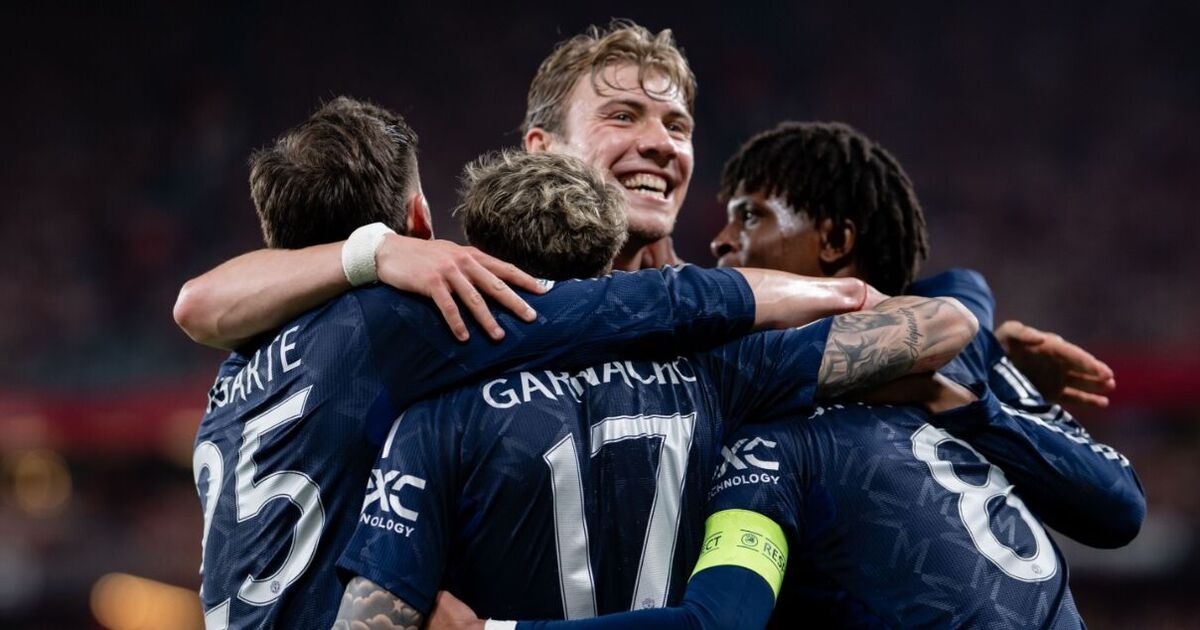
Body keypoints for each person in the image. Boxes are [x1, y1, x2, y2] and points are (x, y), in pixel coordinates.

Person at [191, 101, 878, 630]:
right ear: (420, 219)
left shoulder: (232, 377)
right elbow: (640, 305)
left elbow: (194, 304)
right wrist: (838, 294)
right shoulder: (396, 321)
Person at [434, 122, 1144, 629]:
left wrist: (962, 395)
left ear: (834, 241)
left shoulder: (774, 437)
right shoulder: (957, 342)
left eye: (748, 215)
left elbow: (1119, 508)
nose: (720, 240)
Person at [331, 148, 979, 628]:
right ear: (611, 253)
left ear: (482, 256)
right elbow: (943, 326)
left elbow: (369, 621)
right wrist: (843, 294)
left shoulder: (434, 416)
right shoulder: (720, 370)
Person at [172, 20, 699, 349]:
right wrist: (376, 251)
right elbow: (201, 304)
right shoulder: (460, 297)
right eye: (623, 116)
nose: (662, 144)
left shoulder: (704, 314)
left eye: (678, 127)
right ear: (542, 148)